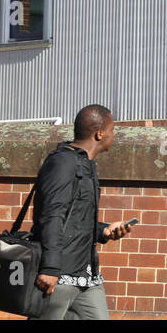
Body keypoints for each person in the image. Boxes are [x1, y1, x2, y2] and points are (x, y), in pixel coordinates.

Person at [29, 104, 133, 320]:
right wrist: (49, 267)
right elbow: (51, 215)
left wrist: (104, 231)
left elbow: (76, 219)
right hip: (59, 275)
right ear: (100, 133)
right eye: (112, 130)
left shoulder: (86, 164)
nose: (114, 135)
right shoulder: (62, 163)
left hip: (86, 276)